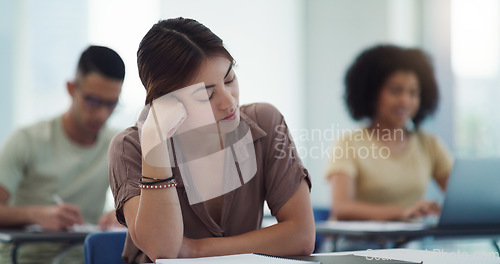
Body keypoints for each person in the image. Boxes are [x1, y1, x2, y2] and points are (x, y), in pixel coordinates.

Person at [108, 17, 315, 263]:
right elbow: (163, 250)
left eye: (229, 79)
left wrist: (196, 250)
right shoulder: (130, 147)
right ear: (167, 101)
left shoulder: (265, 122)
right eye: (206, 95)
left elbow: (301, 236)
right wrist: (155, 139)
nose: (229, 102)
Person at [0, 45, 125, 263]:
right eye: (93, 101)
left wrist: (123, 215)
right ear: (70, 88)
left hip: (83, 257)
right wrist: (35, 215)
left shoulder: (117, 145)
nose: (102, 114)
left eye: (111, 104)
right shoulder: (28, 140)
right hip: (25, 257)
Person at [326, 44, 453, 222]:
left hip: (409, 245)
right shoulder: (349, 143)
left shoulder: (429, 144)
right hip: (355, 245)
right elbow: (341, 208)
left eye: (413, 93)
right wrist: (403, 212)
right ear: (372, 93)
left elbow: (461, 198)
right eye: (395, 91)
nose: (405, 101)